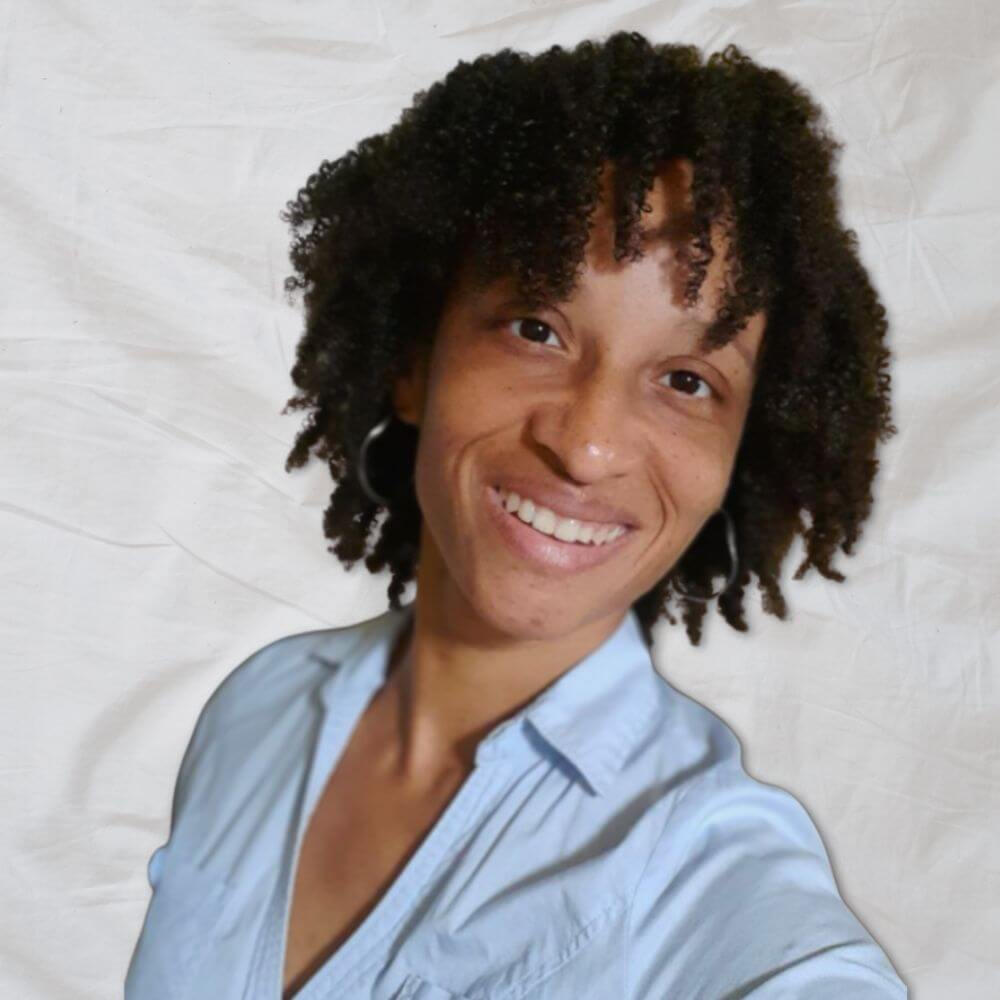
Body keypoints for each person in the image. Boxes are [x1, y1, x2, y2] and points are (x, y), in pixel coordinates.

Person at [125, 31, 908, 999]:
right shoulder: (260, 709)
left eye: (685, 381)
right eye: (536, 329)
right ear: (415, 359)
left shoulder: (705, 866)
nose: (587, 446)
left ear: (741, 454)